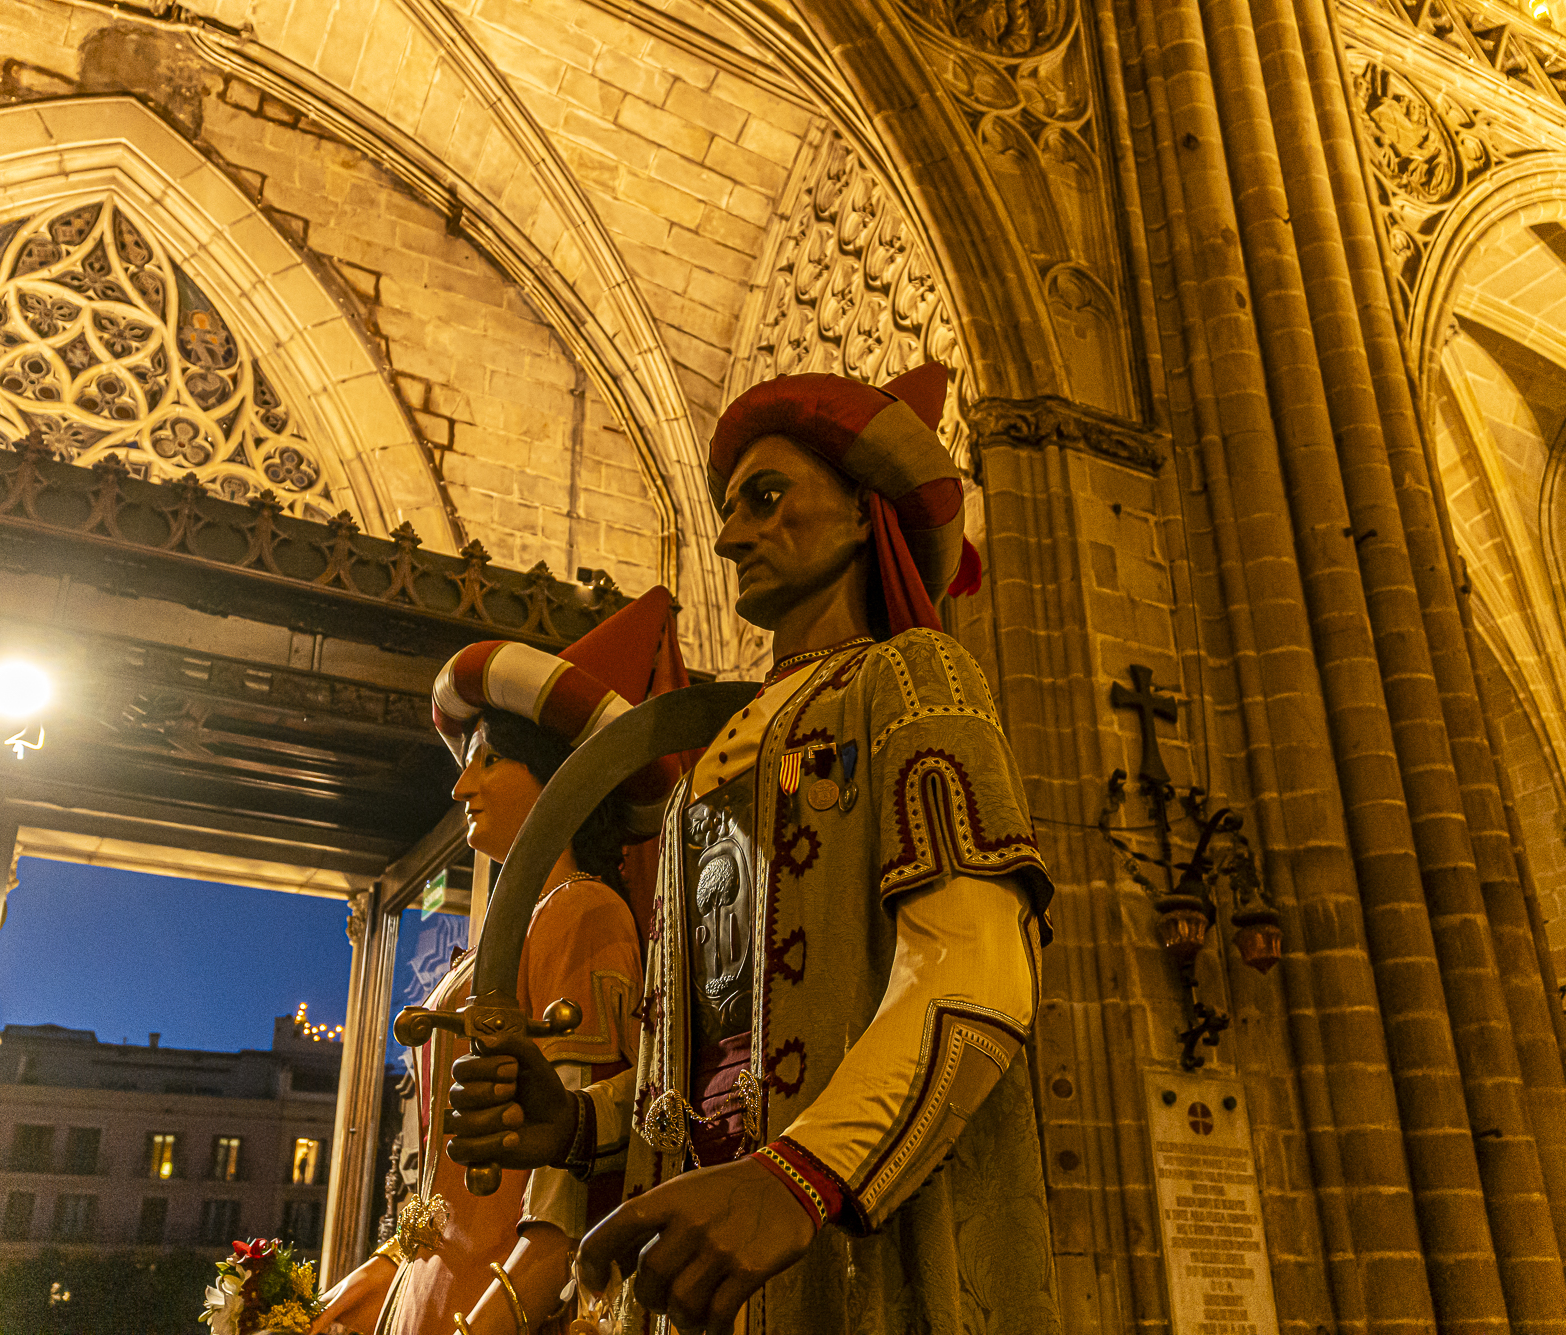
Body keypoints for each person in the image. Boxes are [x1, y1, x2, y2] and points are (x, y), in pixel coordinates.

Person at [446, 364, 1061, 1334]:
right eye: (729, 510)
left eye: (766, 498)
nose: (731, 537)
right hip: (704, 1252)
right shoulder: (702, 768)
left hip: (837, 1230)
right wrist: (576, 1124)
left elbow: (976, 971)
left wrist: (799, 1178)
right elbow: (695, 1055)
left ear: (865, 514)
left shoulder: (913, 677)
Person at [310, 587, 689, 1335]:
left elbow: (565, 1201)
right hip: (438, 1300)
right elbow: (439, 1208)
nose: (461, 785)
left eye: (489, 759)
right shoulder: (508, 937)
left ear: (562, 779)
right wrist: (325, 1312)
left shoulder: (582, 911)